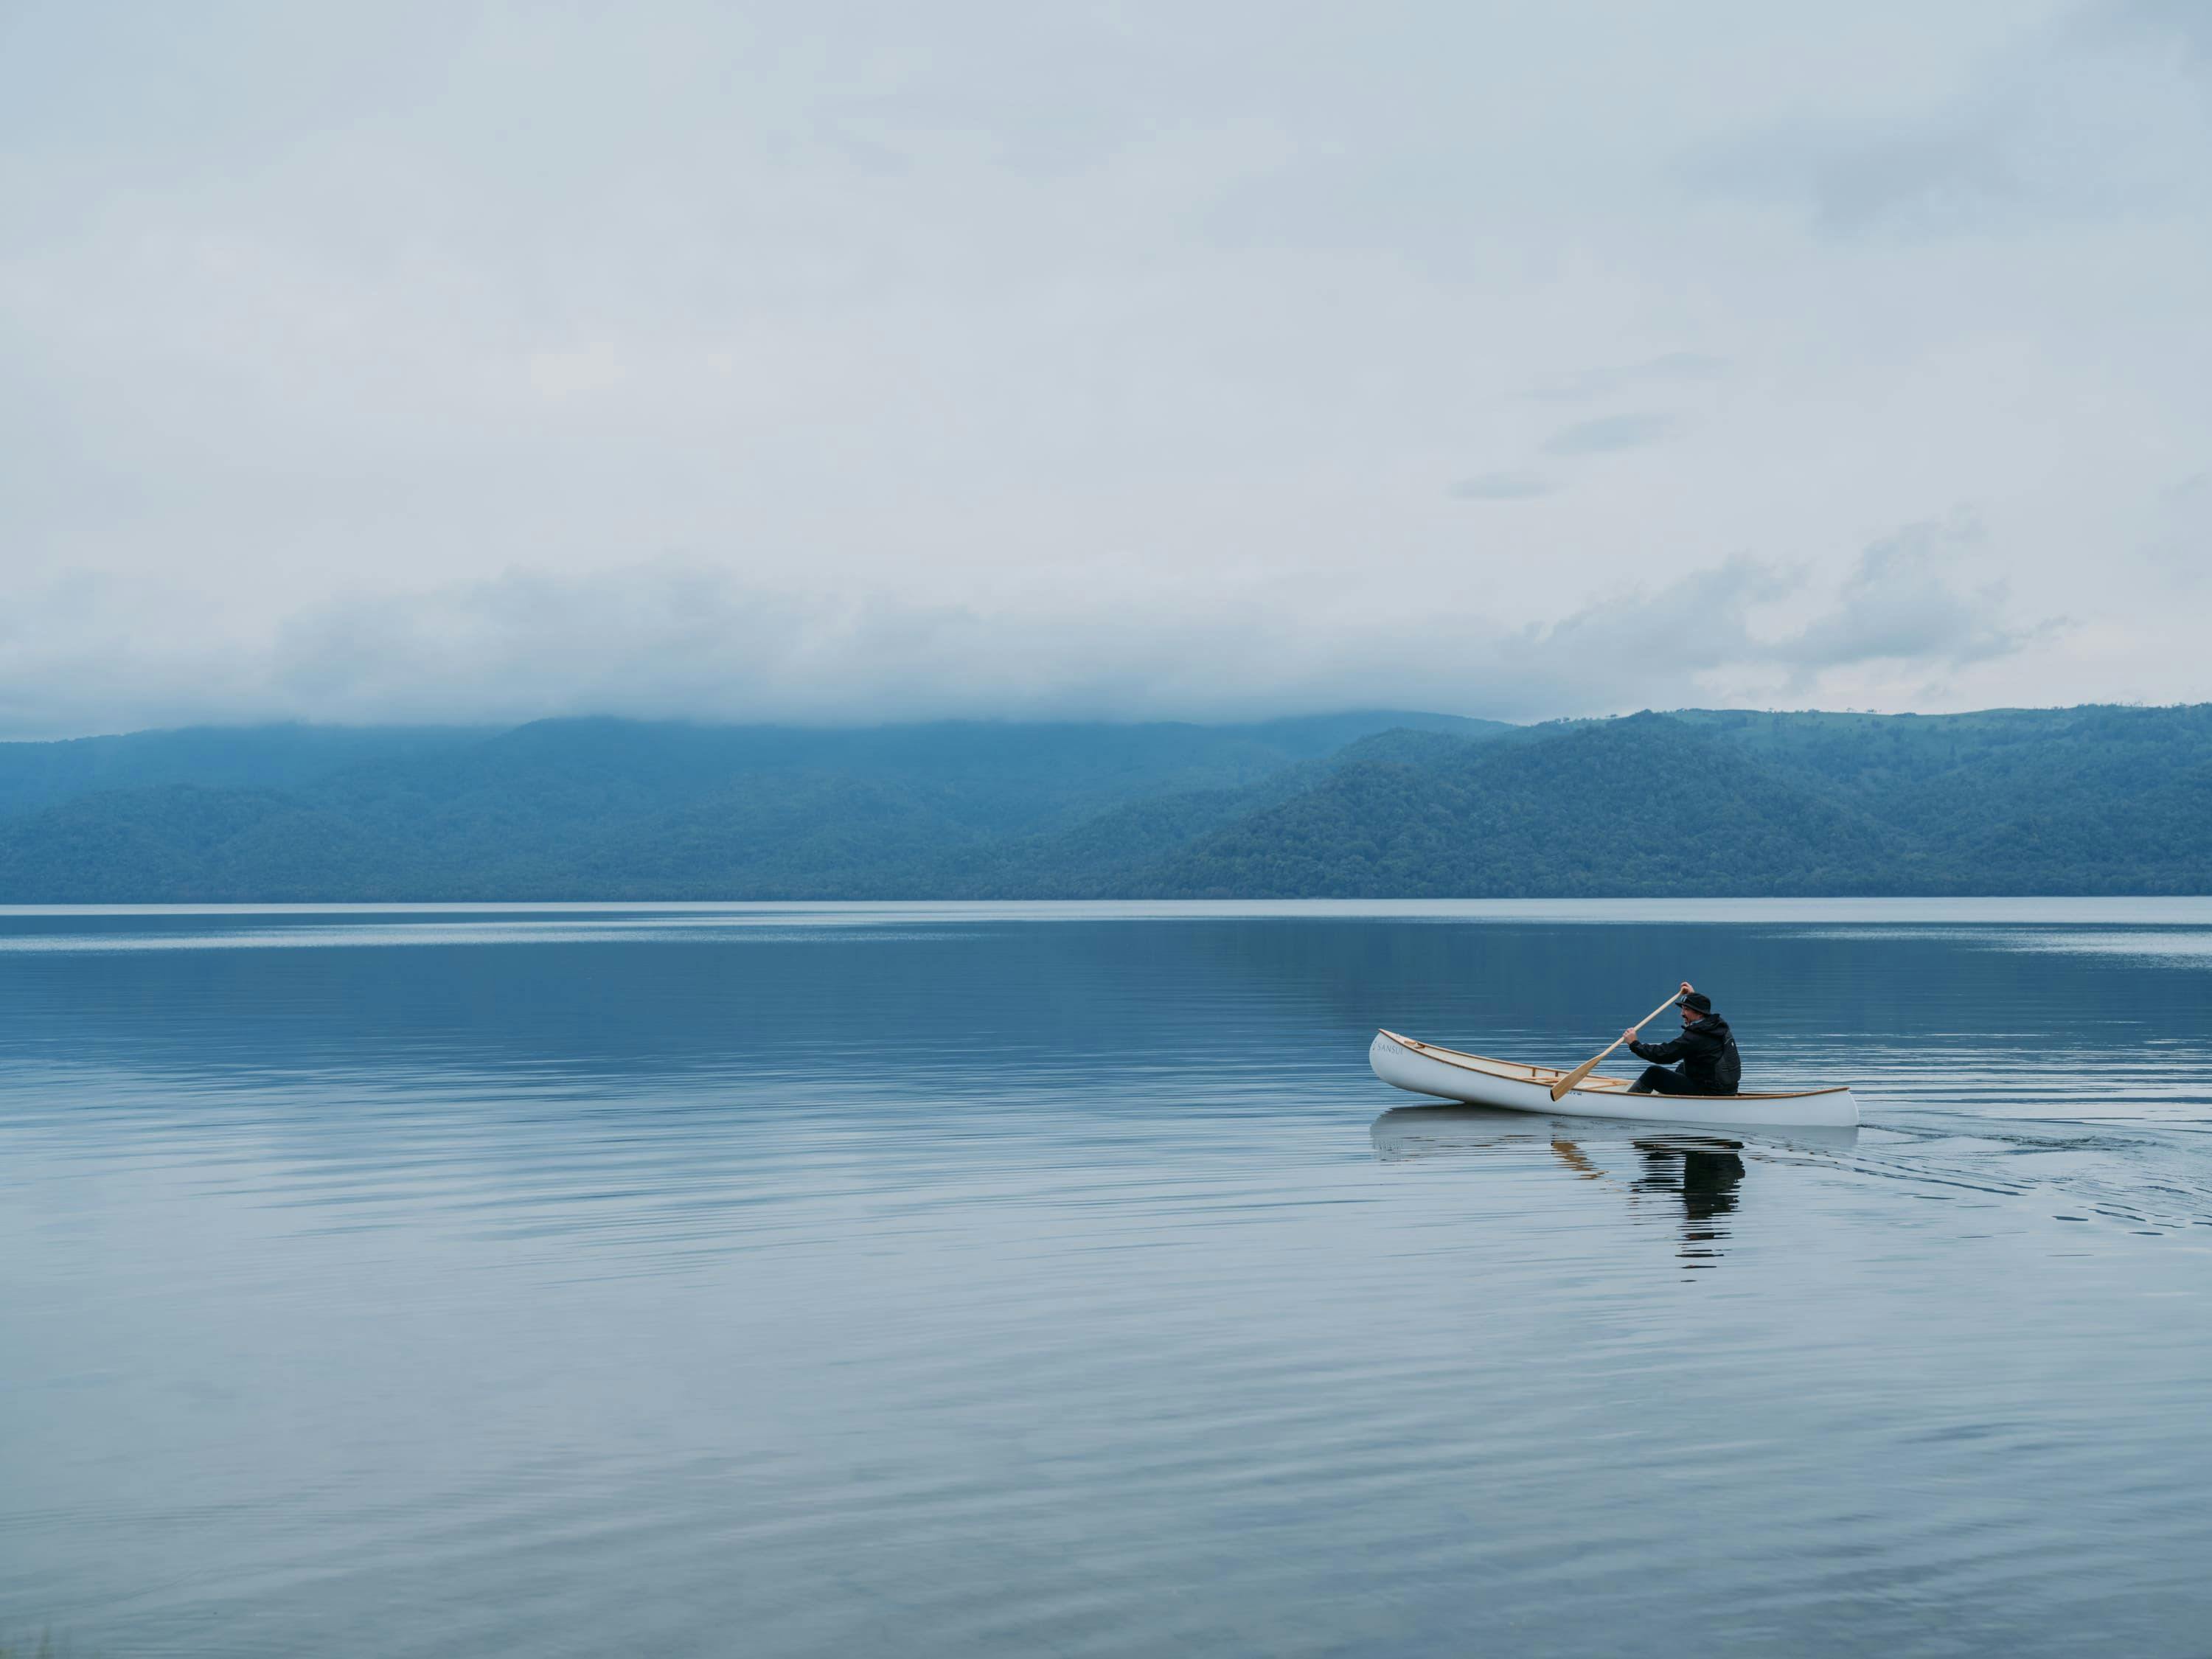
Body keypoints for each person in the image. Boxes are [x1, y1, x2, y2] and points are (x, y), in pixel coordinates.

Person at [1621, 981, 1742, 1096]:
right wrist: (1692, 996)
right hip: (1725, 1088)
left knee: (1654, 1073)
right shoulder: (1718, 1025)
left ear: (1700, 1014)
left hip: (1711, 1091)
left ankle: (1627, 1104)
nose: (1682, 1014)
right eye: (1683, 1008)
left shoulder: (1695, 1037)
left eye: (1686, 1009)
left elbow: (1665, 1054)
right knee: (1683, 1067)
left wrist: (1634, 1044)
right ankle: (1670, 1102)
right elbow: (1702, 1011)